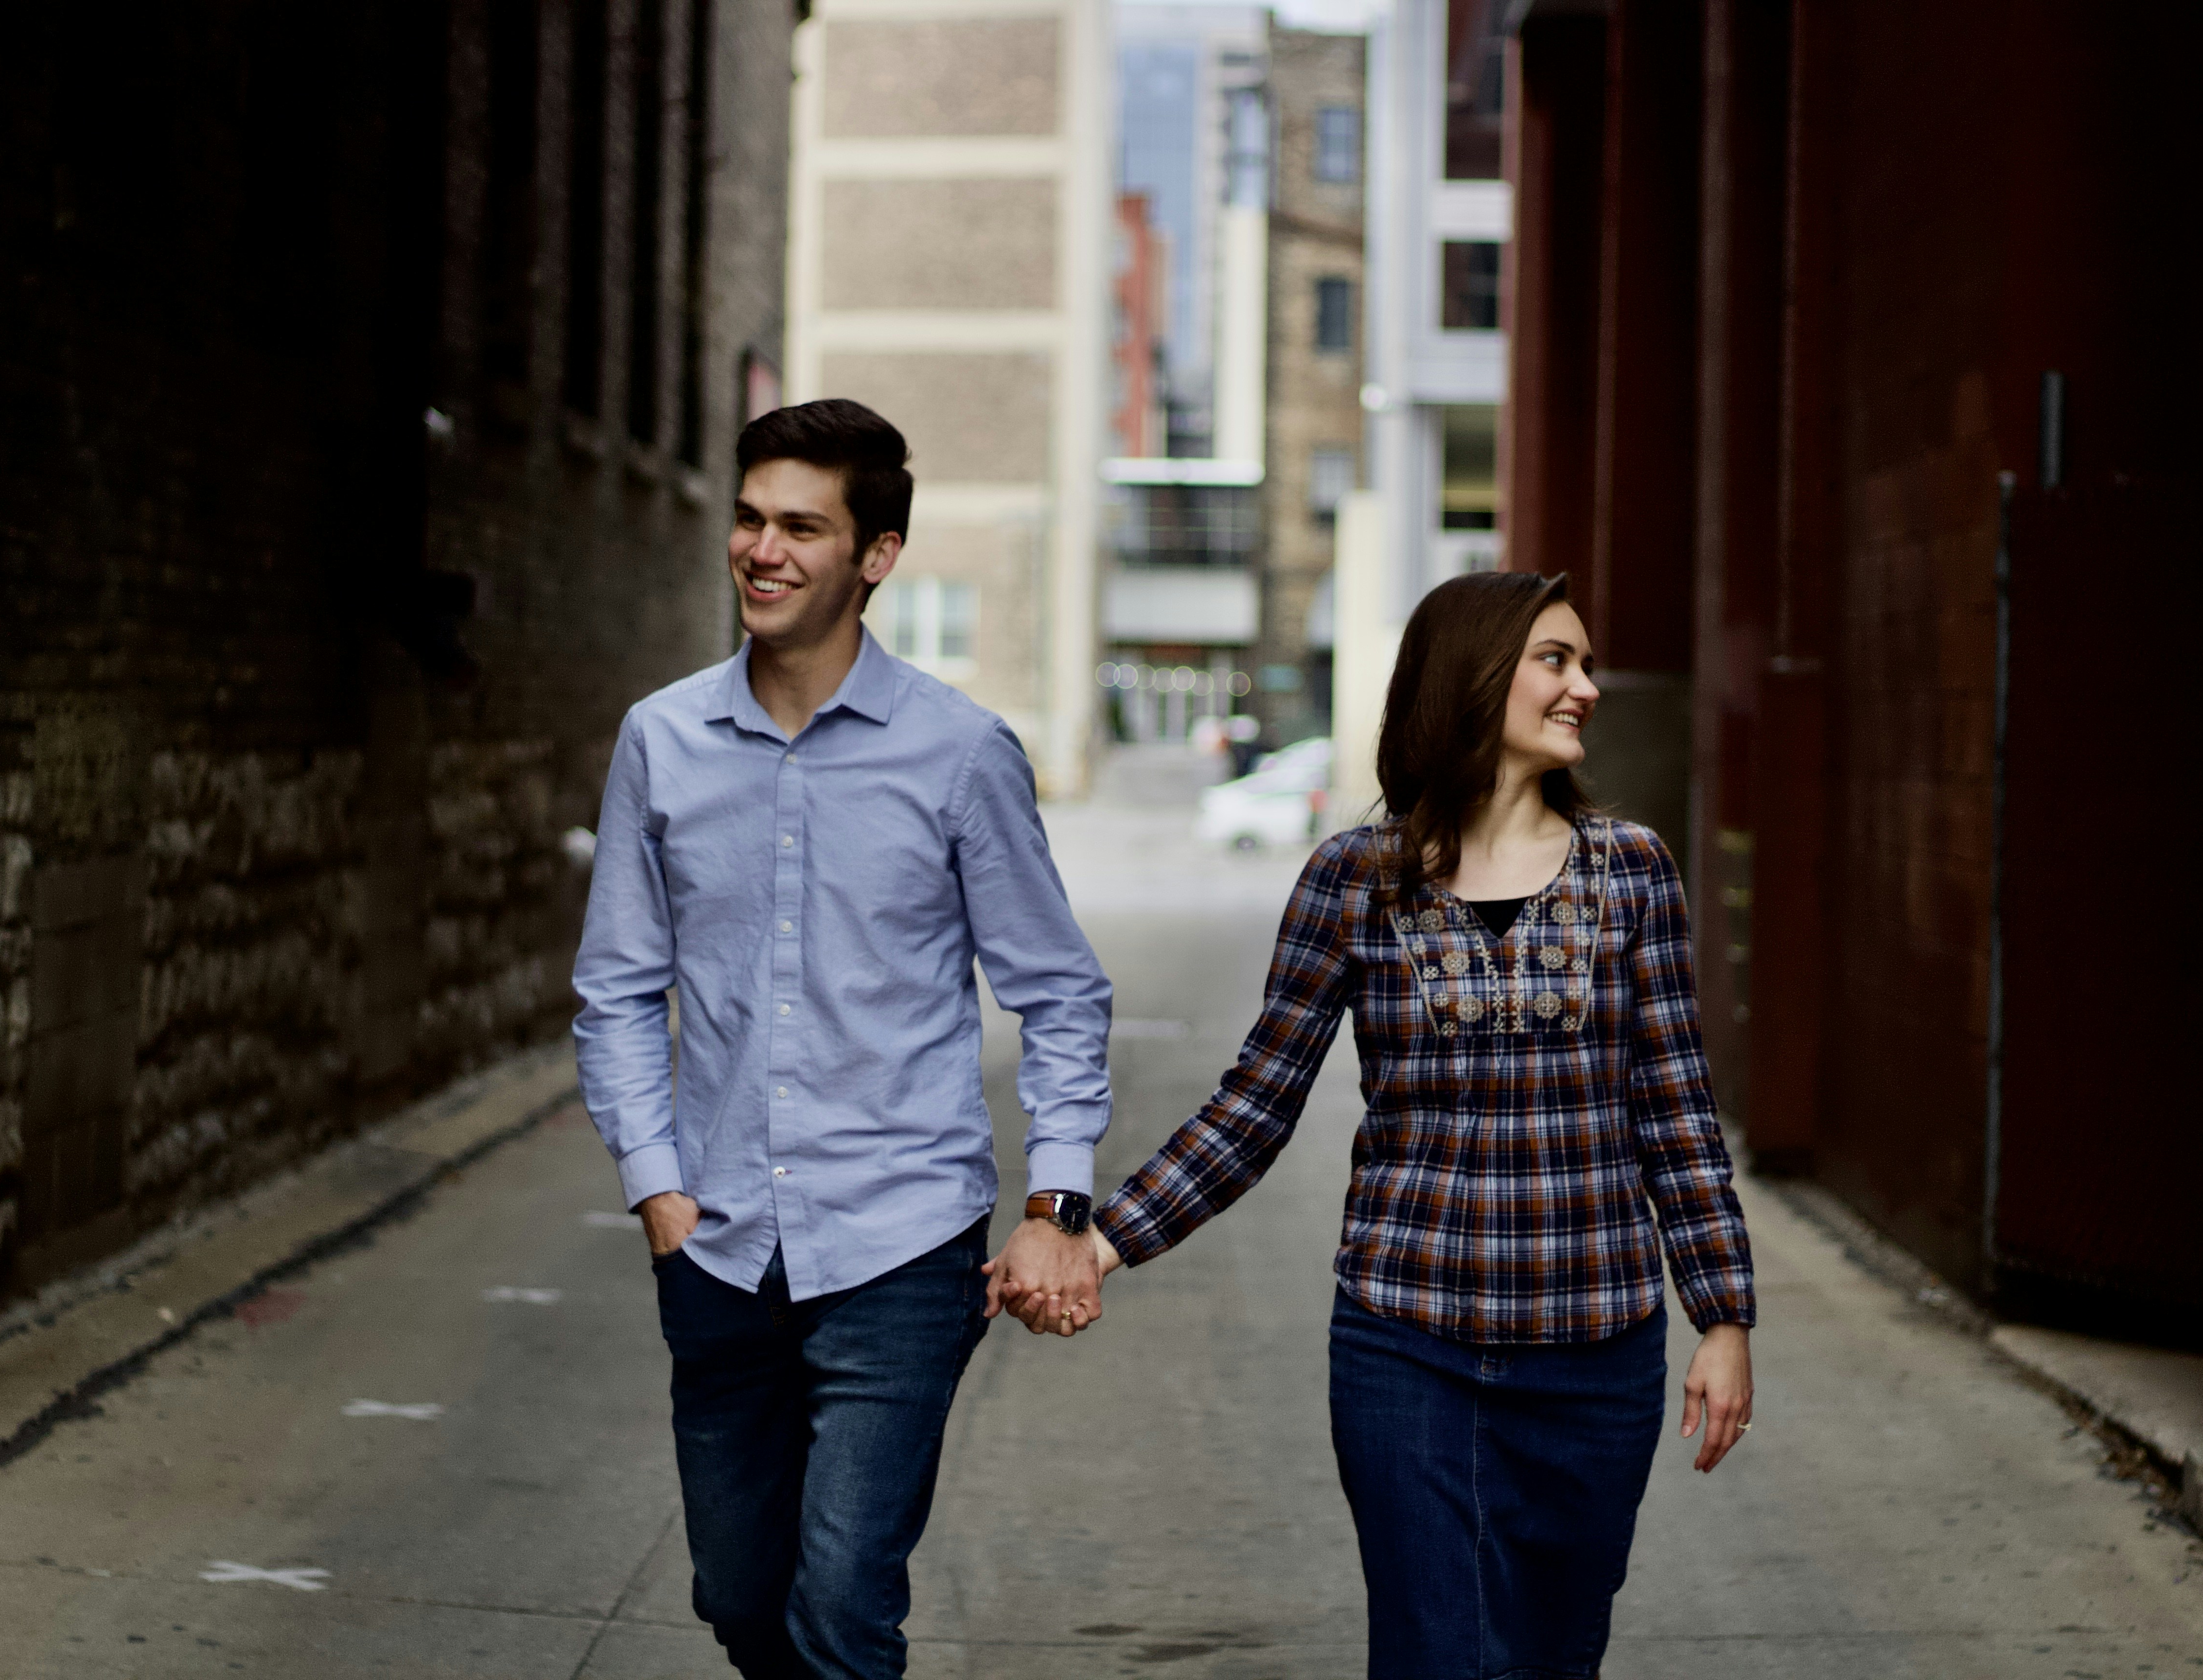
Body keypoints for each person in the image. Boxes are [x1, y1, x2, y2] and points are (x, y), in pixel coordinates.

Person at [1011, 570, 1757, 1679]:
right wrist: (1104, 1239)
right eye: (1557, 660)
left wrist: (1725, 1315)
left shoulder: (1634, 872)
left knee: (1554, 1658)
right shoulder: (1355, 882)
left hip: (1597, 1352)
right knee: (1433, 1655)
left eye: (1587, 664)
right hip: (1409, 1341)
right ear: (1476, 675)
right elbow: (1257, 1103)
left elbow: (1676, 1112)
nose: (1586, 688)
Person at [572, 399, 1113, 1680]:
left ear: (875, 556)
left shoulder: (961, 755)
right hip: (716, 1250)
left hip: (901, 1244)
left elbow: (1060, 993)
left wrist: (1058, 1200)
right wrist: (656, 1188)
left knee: (847, 1608)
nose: (763, 549)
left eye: (802, 527)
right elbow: (615, 991)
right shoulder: (663, 741)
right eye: (751, 519)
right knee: (741, 1596)